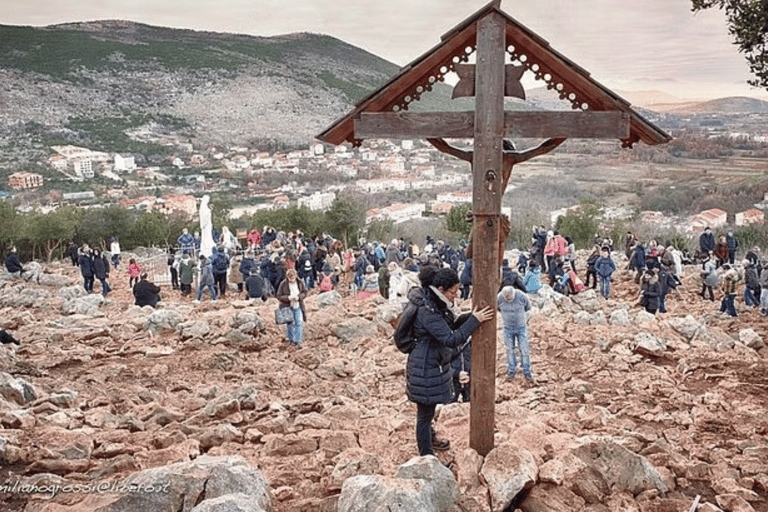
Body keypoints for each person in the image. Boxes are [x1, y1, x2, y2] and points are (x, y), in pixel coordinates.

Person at [405, 267, 493, 456]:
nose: (455, 295)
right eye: (453, 291)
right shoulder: (427, 310)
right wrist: (474, 321)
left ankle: (430, 441)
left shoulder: (434, 301)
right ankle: (427, 458)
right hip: (425, 366)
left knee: (427, 413)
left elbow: (450, 325)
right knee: (424, 415)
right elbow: (451, 338)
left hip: (428, 362)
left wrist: (470, 316)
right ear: (441, 288)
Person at [498, 284, 535, 386]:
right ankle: (511, 372)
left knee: (524, 350)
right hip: (507, 328)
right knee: (510, 350)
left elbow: (528, 307)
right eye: (507, 299)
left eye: (510, 298)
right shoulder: (499, 297)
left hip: (521, 328)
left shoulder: (522, 296)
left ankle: (527, 373)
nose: (509, 300)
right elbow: (497, 308)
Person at [276, 269, 307, 348]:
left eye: (293, 278)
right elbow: (279, 296)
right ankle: (291, 339)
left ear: (296, 276)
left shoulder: (300, 282)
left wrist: (299, 297)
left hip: (297, 305)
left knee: (298, 322)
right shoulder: (283, 284)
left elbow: (304, 292)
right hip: (287, 306)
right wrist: (288, 298)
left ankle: (298, 340)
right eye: (290, 279)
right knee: (289, 323)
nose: (292, 280)